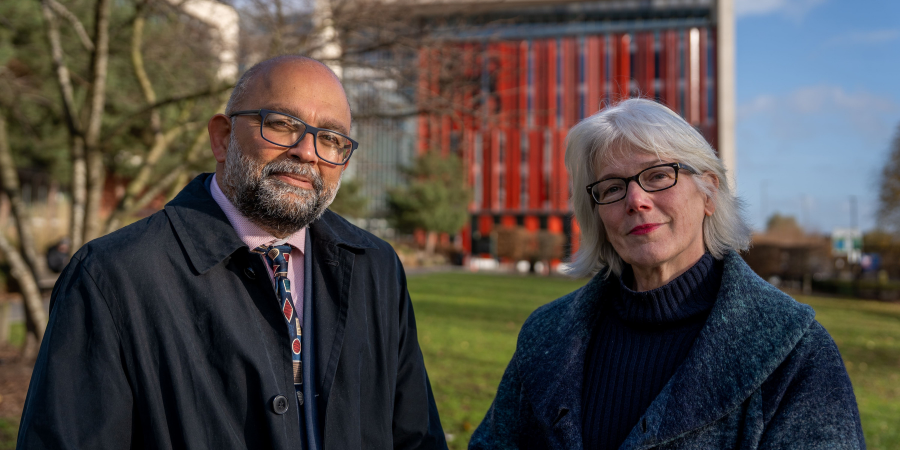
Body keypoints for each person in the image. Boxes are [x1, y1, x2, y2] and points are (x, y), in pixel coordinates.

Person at [18, 55, 447, 450]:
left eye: (331, 139)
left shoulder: (376, 266)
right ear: (222, 138)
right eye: (281, 123)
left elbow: (414, 437)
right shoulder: (113, 277)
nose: (306, 152)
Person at [469, 98, 864, 449]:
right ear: (597, 214)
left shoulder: (795, 350)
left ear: (709, 192)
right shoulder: (545, 335)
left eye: (658, 175)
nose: (636, 200)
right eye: (612, 187)